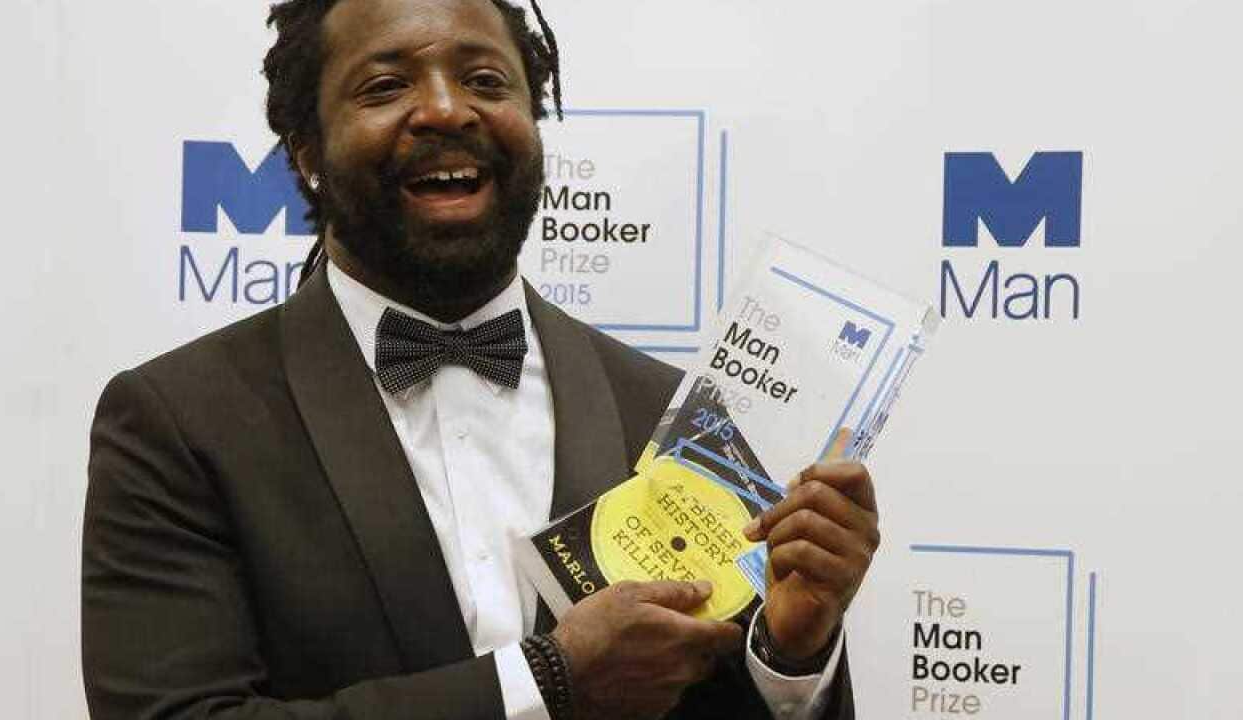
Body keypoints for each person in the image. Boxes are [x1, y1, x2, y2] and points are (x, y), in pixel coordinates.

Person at [81, 1, 881, 718]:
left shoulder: (669, 415)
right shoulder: (180, 421)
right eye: (385, 86)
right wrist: (548, 679)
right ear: (306, 154)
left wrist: (793, 655)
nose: (443, 109)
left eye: (486, 80)